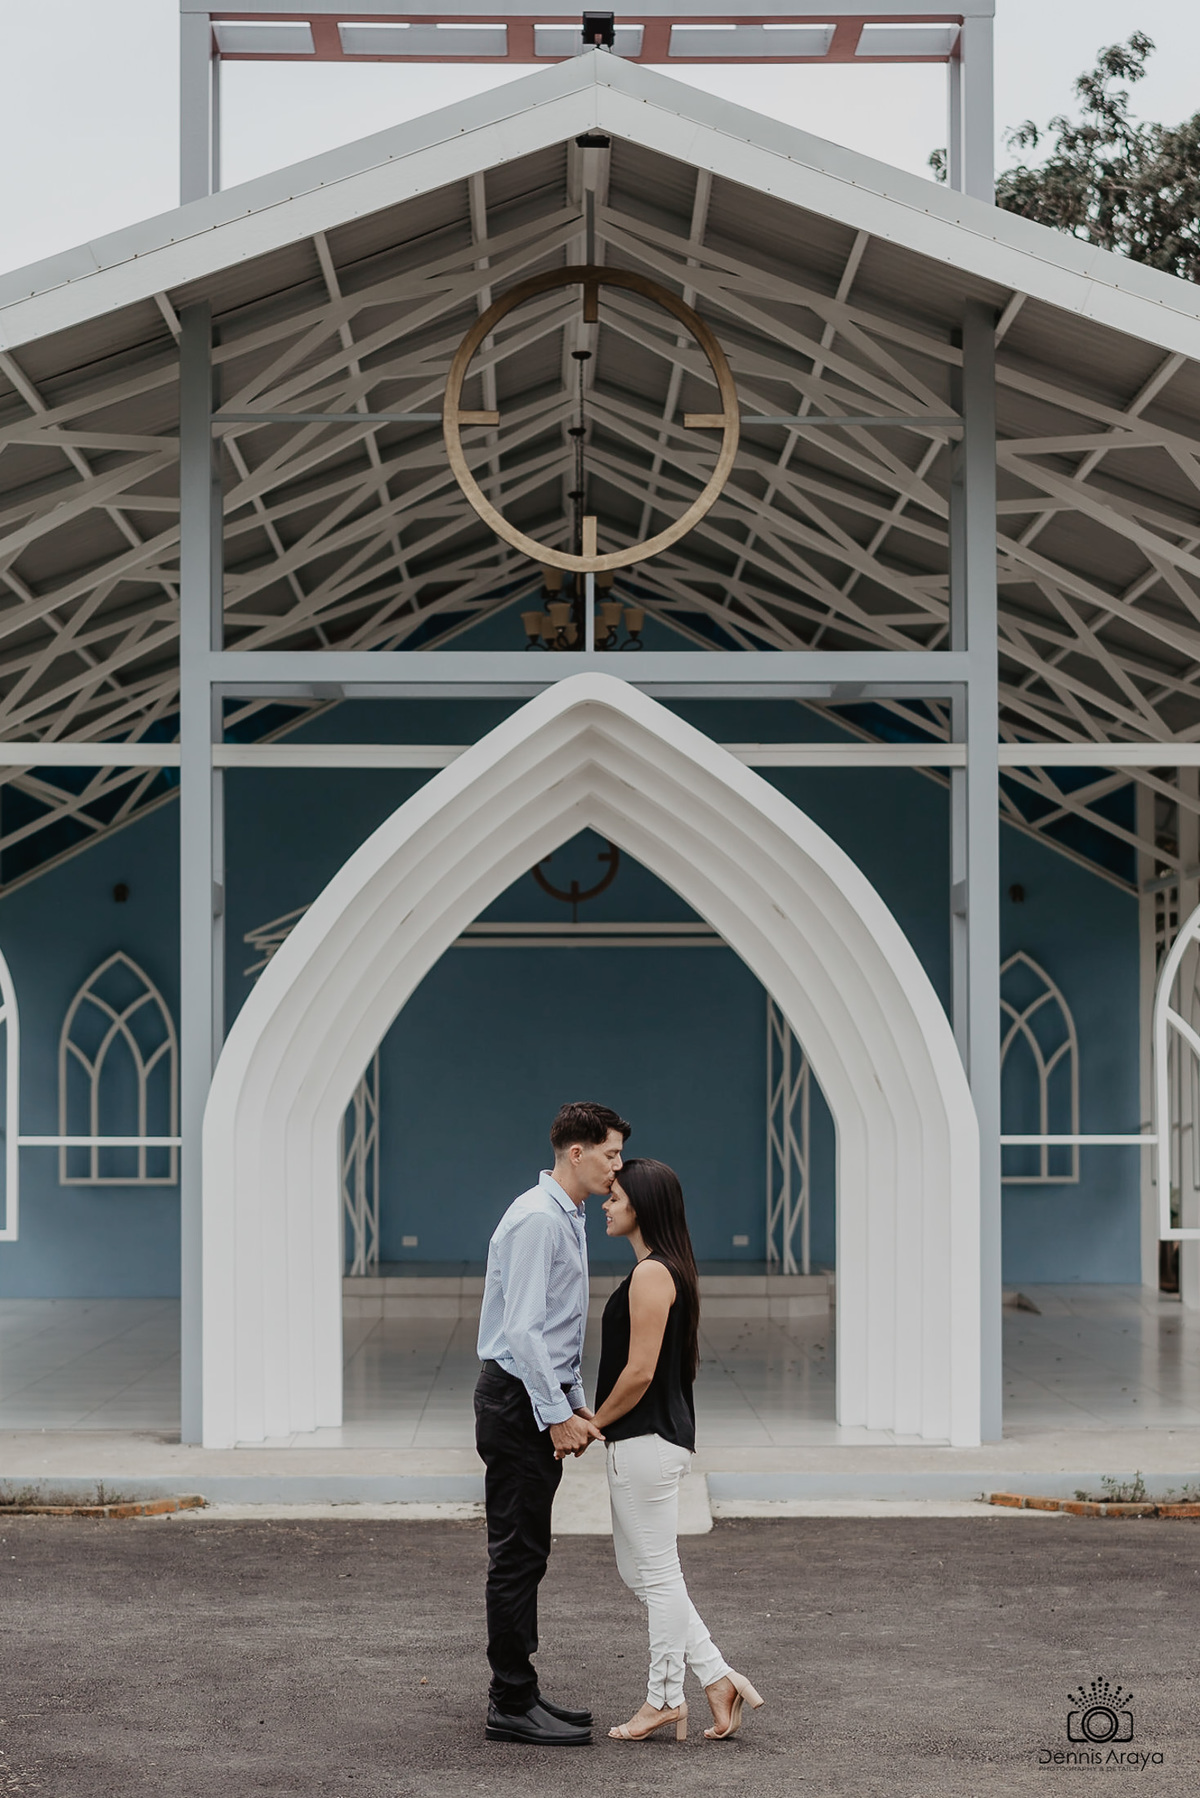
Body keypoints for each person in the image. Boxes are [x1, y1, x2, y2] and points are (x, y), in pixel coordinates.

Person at [587, 1158, 764, 1743]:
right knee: (638, 1571)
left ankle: (664, 1697)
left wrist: (592, 1423)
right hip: (647, 1442)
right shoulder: (663, 1269)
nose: (606, 1204)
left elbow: (639, 1372)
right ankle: (717, 1677)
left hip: (645, 1441)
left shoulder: (651, 1274)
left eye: (615, 1197)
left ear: (641, 1205)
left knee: (658, 1575)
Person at [474, 1100, 630, 1747]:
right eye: (611, 1154)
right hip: (516, 1401)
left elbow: (560, 1328)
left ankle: (522, 1691)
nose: (617, 1167)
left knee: (529, 1550)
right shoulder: (539, 1218)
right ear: (577, 1151)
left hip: (532, 1397)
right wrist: (556, 1413)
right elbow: (522, 1331)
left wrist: (575, 1399)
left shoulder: (567, 1214)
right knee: (517, 1554)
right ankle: (509, 1702)